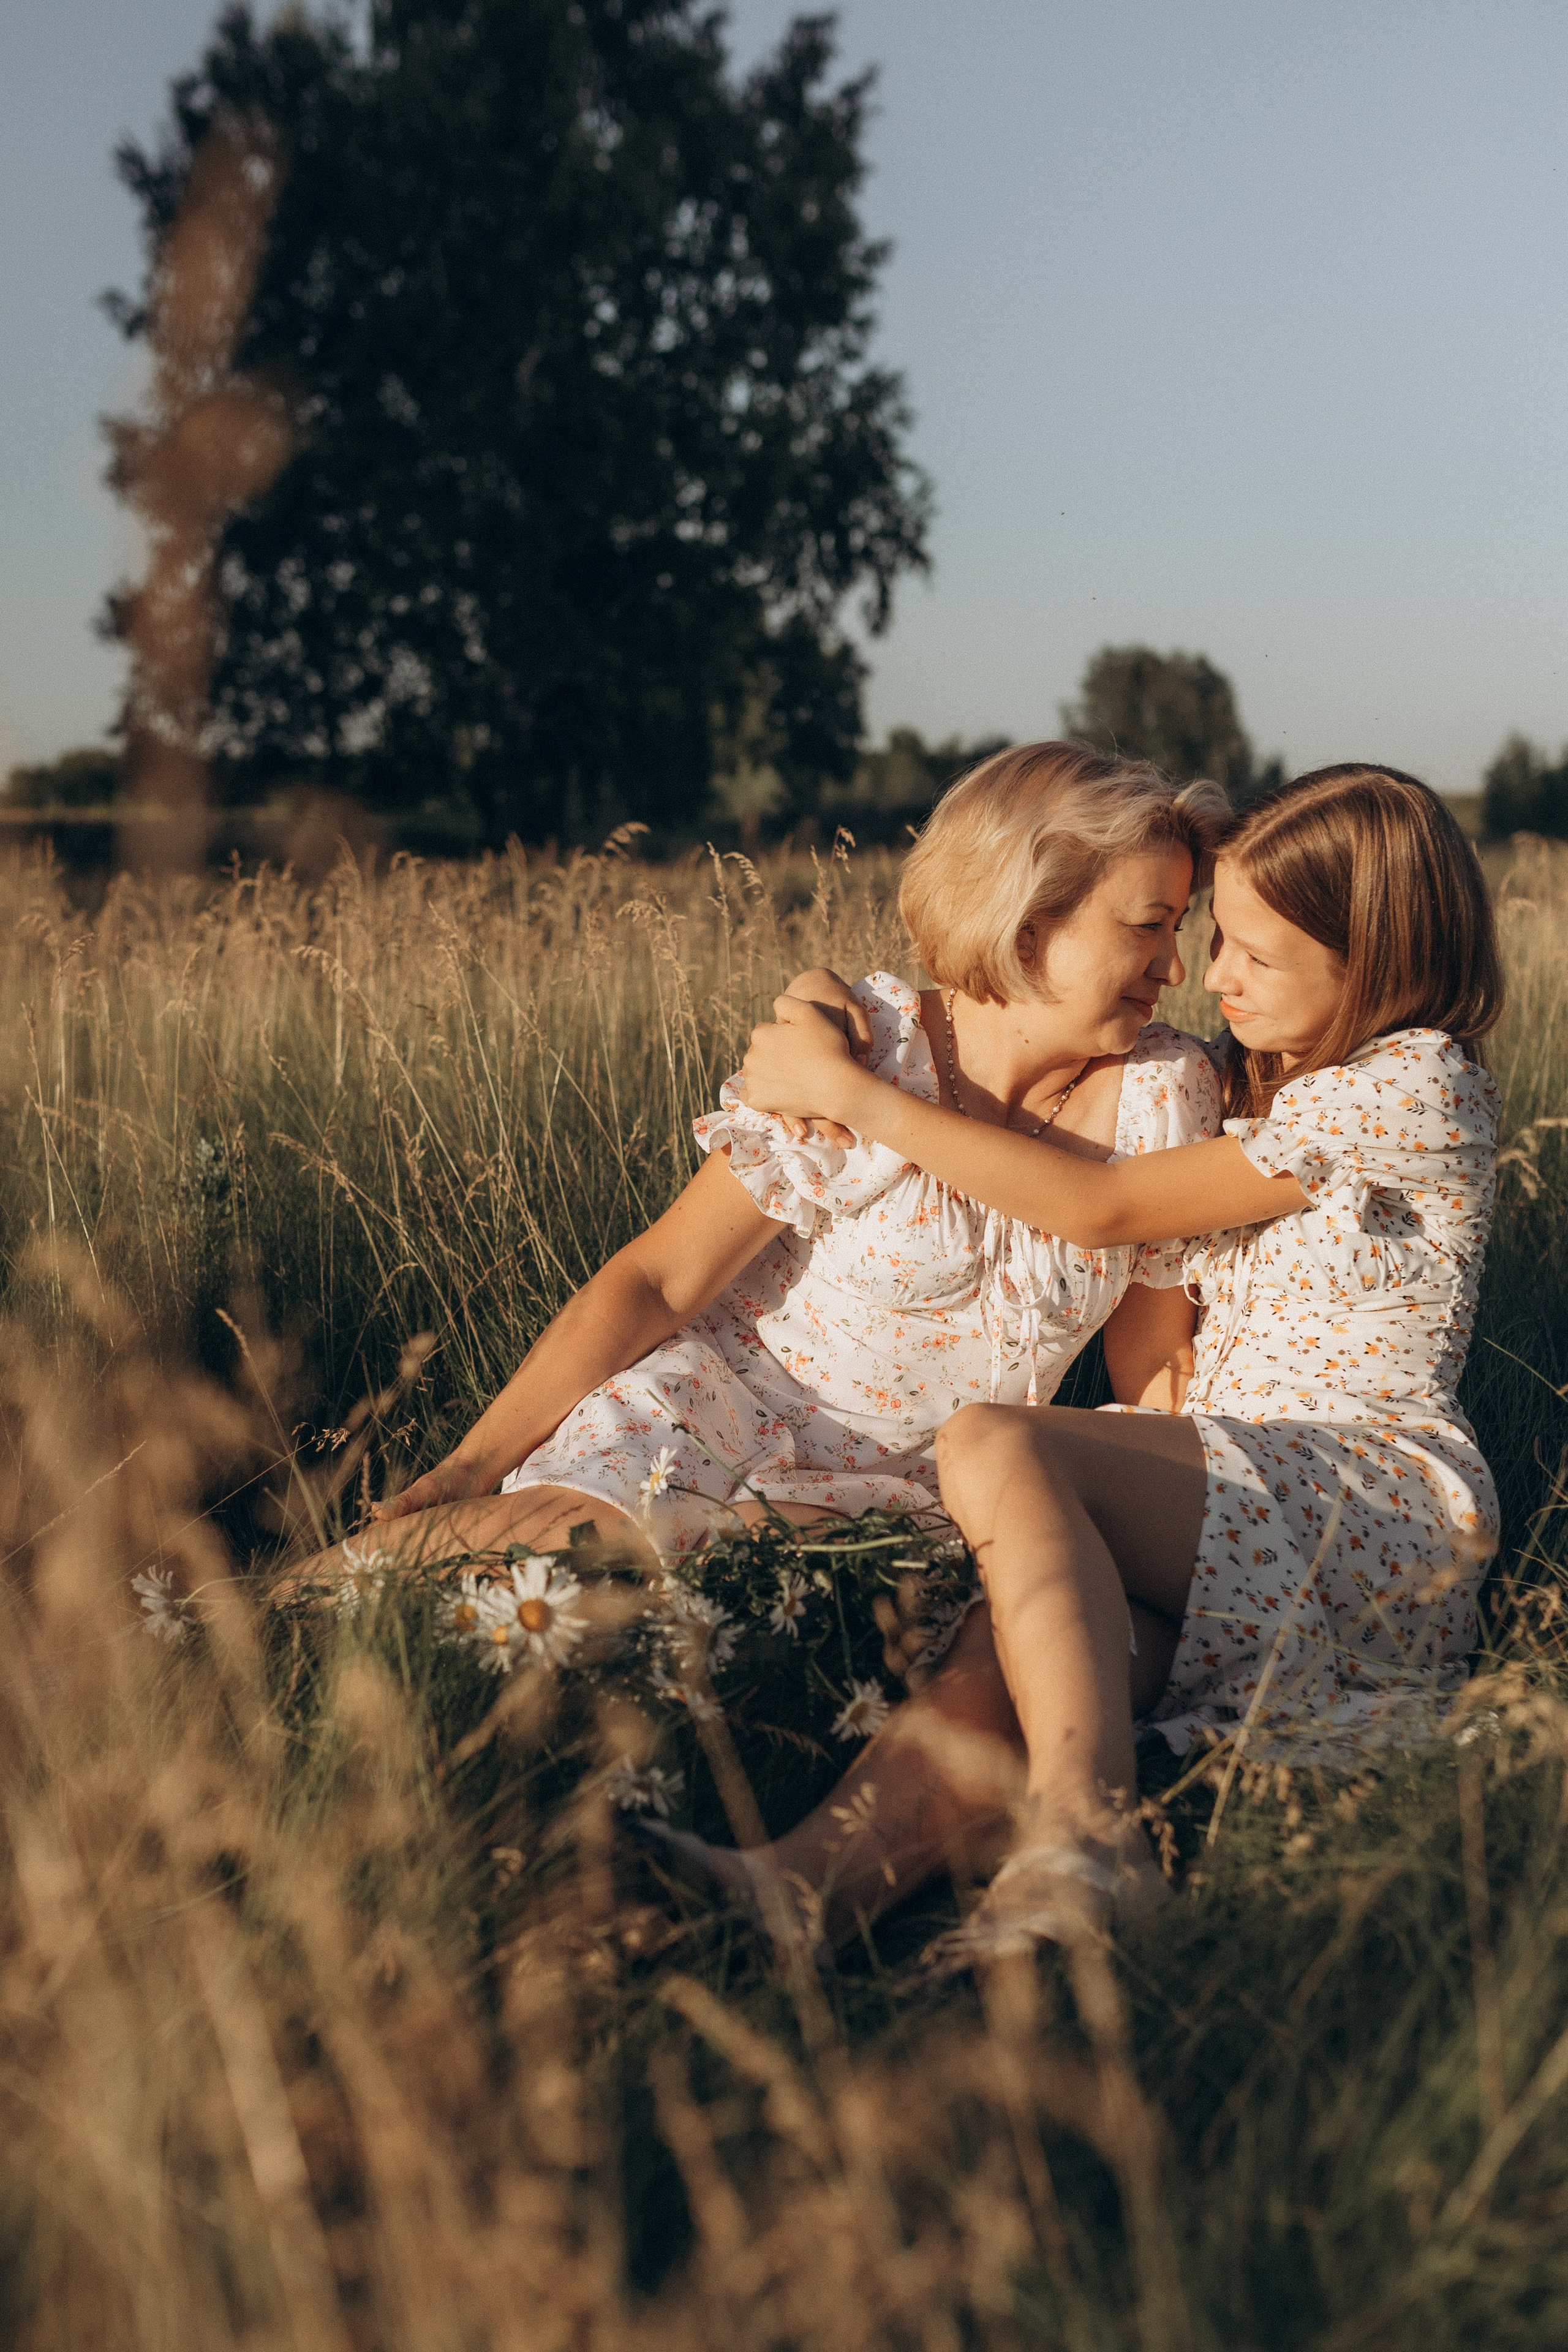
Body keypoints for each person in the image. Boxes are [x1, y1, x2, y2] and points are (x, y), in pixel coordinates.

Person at [728, 764, 1504, 1969]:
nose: (1212, 975)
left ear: (1374, 959)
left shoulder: (1415, 1083)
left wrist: (853, 1098)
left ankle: (1091, 1847)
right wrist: (834, 1009)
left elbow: (1098, 1208)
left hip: (1370, 1499)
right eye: (1206, 938)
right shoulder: (1247, 1083)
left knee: (994, 1440)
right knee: (1025, 1635)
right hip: (1237, 1503)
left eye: (1254, 952)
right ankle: (799, 1891)